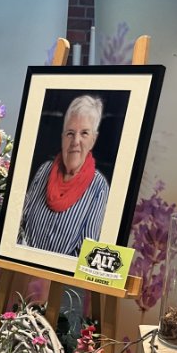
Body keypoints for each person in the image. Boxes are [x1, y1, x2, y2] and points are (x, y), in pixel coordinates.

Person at [18, 95, 109, 257]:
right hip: (22, 266)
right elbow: (20, 225)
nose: (75, 141)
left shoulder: (99, 187)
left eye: (84, 133)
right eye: (70, 133)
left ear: (93, 140)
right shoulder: (44, 171)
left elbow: (85, 252)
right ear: (62, 137)